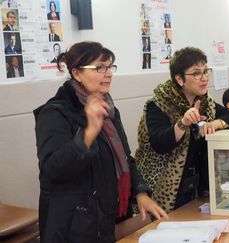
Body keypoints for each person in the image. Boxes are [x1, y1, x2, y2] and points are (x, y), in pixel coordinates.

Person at [33, 41, 167, 242]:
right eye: (99, 68)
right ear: (76, 73)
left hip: (106, 219)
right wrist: (88, 134)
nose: (108, 73)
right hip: (73, 227)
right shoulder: (54, 113)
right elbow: (53, 170)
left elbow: (126, 159)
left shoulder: (109, 110)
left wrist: (140, 193)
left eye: (109, 67)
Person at [134, 47, 229, 212]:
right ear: (179, 79)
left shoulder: (205, 103)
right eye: (196, 73)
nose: (204, 77)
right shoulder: (158, 104)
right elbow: (160, 143)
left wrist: (217, 123)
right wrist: (182, 123)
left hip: (196, 186)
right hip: (164, 189)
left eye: (206, 71)